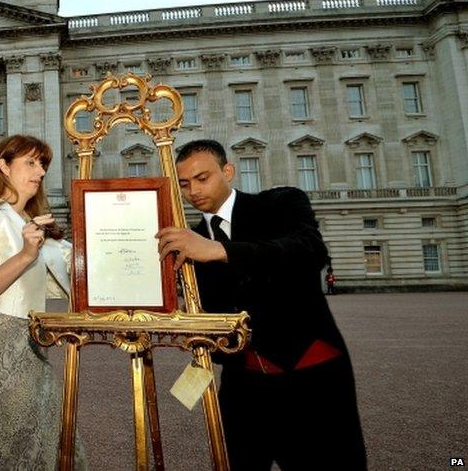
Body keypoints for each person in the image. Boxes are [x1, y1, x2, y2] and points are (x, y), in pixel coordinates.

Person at [155, 139, 365, 470]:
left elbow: (311, 251)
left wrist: (220, 251)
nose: (193, 190)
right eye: (184, 183)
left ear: (228, 171)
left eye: (202, 178)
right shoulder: (186, 241)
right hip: (244, 388)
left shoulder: (282, 202)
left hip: (312, 381)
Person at [0, 134, 86, 470]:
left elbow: (81, 272)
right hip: (2, 349)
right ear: (3, 166)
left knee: (52, 444)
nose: (40, 172)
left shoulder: (34, 224)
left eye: (43, 164)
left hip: (36, 346)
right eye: (30, 162)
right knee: (7, 449)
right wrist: (27, 255)